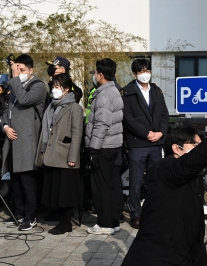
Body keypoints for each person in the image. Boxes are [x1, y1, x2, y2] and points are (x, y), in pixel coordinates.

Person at [121, 110, 207, 266]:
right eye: (196, 145)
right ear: (177, 148)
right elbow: (196, 158)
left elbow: (195, 237)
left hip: (186, 253)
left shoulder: (193, 178)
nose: (199, 149)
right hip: (156, 256)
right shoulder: (163, 168)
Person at [1, 54, 47, 231]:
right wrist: (5, 126)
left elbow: (24, 100)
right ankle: (18, 213)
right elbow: (7, 109)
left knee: (28, 181)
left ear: (31, 70)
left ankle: (31, 216)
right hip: (12, 140)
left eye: (22, 70)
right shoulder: (16, 87)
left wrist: (14, 79)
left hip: (27, 141)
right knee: (16, 181)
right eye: (16, 69)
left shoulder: (38, 86)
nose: (19, 73)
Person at [122, 58, 169, 229]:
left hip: (156, 143)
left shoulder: (156, 90)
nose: (145, 74)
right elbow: (127, 119)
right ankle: (135, 213)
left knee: (155, 179)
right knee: (135, 181)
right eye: (141, 71)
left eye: (147, 70)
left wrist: (161, 133)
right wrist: (146, 133)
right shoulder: (127, 92)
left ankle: (153, 211)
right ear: (134, 73)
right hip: (137, 143)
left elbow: (164, 114)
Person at [35, 74, 83, 234]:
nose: (54, 90)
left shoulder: (74, 107)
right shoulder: (51, 106)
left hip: (65, 154)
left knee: (66, 191)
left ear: (67, 89)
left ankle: (66, 222)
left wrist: (72, 157)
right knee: (55, 189)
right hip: (51, 153)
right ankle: (60, 219)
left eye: (57, 87)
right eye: (53, 86)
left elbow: (77, 134)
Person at [85, 58, 123, 235]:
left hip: (103, 147)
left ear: (100, 75)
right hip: (112, 146)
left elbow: (102, 124)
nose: (94, 76)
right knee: (109, 186)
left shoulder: (104, 95)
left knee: (100, 187)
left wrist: (93, 149)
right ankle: (112, 221)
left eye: (95, 73)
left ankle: (105, 223)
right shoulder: (113, 91)